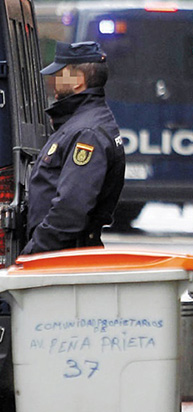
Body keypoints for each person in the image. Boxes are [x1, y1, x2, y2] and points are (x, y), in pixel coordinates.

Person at [21, 41, 125, 255]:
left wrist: (32, 254)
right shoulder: (81, 123)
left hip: (63, 257)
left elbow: (70, 210)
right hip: (63, 254)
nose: (54, 81)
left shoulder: (87, 133)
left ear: (78, 80)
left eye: (60, 74)